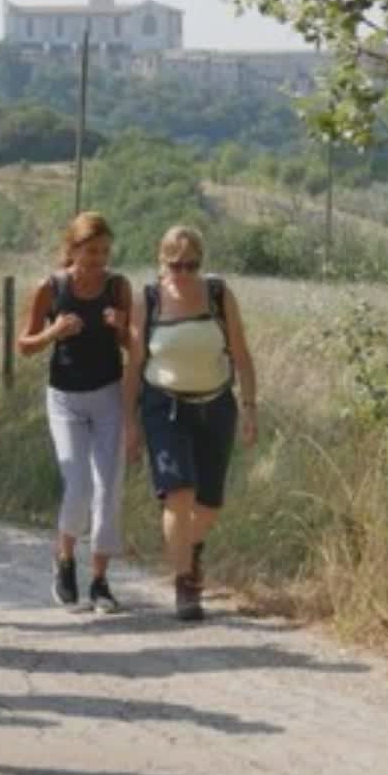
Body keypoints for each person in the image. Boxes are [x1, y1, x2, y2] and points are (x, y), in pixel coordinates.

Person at [132, 224, 260, 621]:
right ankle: (186, 583)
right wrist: (128, 423)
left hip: (216, 405)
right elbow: (134, 365)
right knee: (179, 494)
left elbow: (240, 353)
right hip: (164, 406)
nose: (184, 274)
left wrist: (250, 407)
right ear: (161, 261)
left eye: (192, 265)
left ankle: (189, 547)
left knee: (210, 503)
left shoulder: (219, 294)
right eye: (176, 265)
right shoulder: (149, 300)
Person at [18, 212, 139, 613]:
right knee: (79, 485)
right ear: (72, 249)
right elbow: (25, 344)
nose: (98, 260)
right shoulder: (51, 288)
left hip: (107, 395)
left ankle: (101, 581)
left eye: (104, 252)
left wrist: (121, 326)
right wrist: (53, 333)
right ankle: (65, 558)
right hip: (65, 398)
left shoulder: (118, 287)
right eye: (90, 252)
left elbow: (131, 346)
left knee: (109, 487)